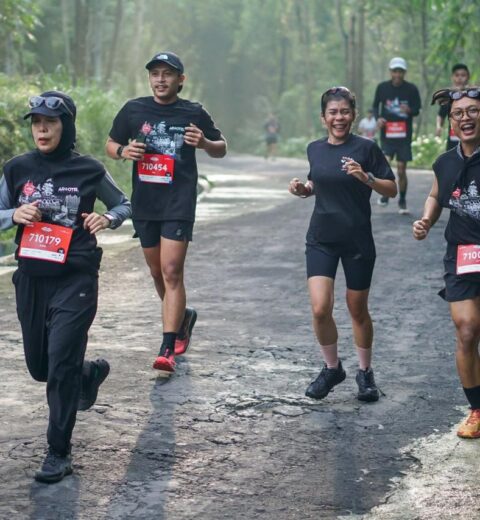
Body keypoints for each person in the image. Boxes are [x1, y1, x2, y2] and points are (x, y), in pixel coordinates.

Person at [0, 91, 131, 483]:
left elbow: (125, 204)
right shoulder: (16, 168)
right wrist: (13, 214)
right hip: (31, 279)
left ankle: (59, 453)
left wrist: (107, 220)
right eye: (36, 123)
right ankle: (86, 373)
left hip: (76, 278)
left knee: (58, 365)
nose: (42, 129)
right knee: (41, 367)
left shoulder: (88, 169)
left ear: (65, 126)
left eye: (50, 122)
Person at [105, 52, 226, 376]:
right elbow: (111, 144)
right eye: (155, 74)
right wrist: (123, 151)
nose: (161, 79)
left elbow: (221, 146)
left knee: (172, 271)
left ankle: (167, 347)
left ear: (180, 80)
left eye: (168, 74)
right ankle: (182, 317)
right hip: (146, 204)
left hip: (178, 203)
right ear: (150, 78)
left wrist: (204, 142)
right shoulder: (134, 109)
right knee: (157, 272)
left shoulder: (193, 112)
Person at [288, 86, 397, 402]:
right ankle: (332, 368)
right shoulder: (315, 149)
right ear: (324, 118)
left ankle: (365, 373)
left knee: (357, 308)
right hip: (321, 238)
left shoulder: (367, 149)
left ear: (354, 115)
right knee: (320, 308)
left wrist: (367, 179)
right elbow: (317, 182)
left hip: (357, 240)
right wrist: (304, 189)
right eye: (333, 112)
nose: (339, 117)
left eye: (345, 111)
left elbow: (390, 188)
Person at [413, 86, 480, 438]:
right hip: (463, 255)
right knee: (467, 330)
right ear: (450, 121)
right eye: (459, 114)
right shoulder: (445, 161)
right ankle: (477, 409)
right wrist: (426, 219)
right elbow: (436, 194)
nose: (466, 118)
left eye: (473, 111)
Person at [372, 57, 421, 214]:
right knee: (386, 164)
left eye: (400, 71)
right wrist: (377, 118)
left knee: (401, 169)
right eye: (395, 71)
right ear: (390, 72)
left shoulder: (411, 89)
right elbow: (375, 106)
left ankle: (402, 201)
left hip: (404, 135)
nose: (397, 74)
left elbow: (417, 109)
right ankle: (386, 194)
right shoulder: (382, 88)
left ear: (404, 72)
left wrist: (409, 111)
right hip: (387, 133)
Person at [436, 63, 470, 151]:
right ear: (452, 77)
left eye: (463, 75)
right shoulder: (448, 97)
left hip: (472, 139)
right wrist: (439, 127)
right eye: (457, 75)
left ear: (468, 77)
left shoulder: (473, 96)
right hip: (453, 140)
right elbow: (441, 115)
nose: (460, 78)